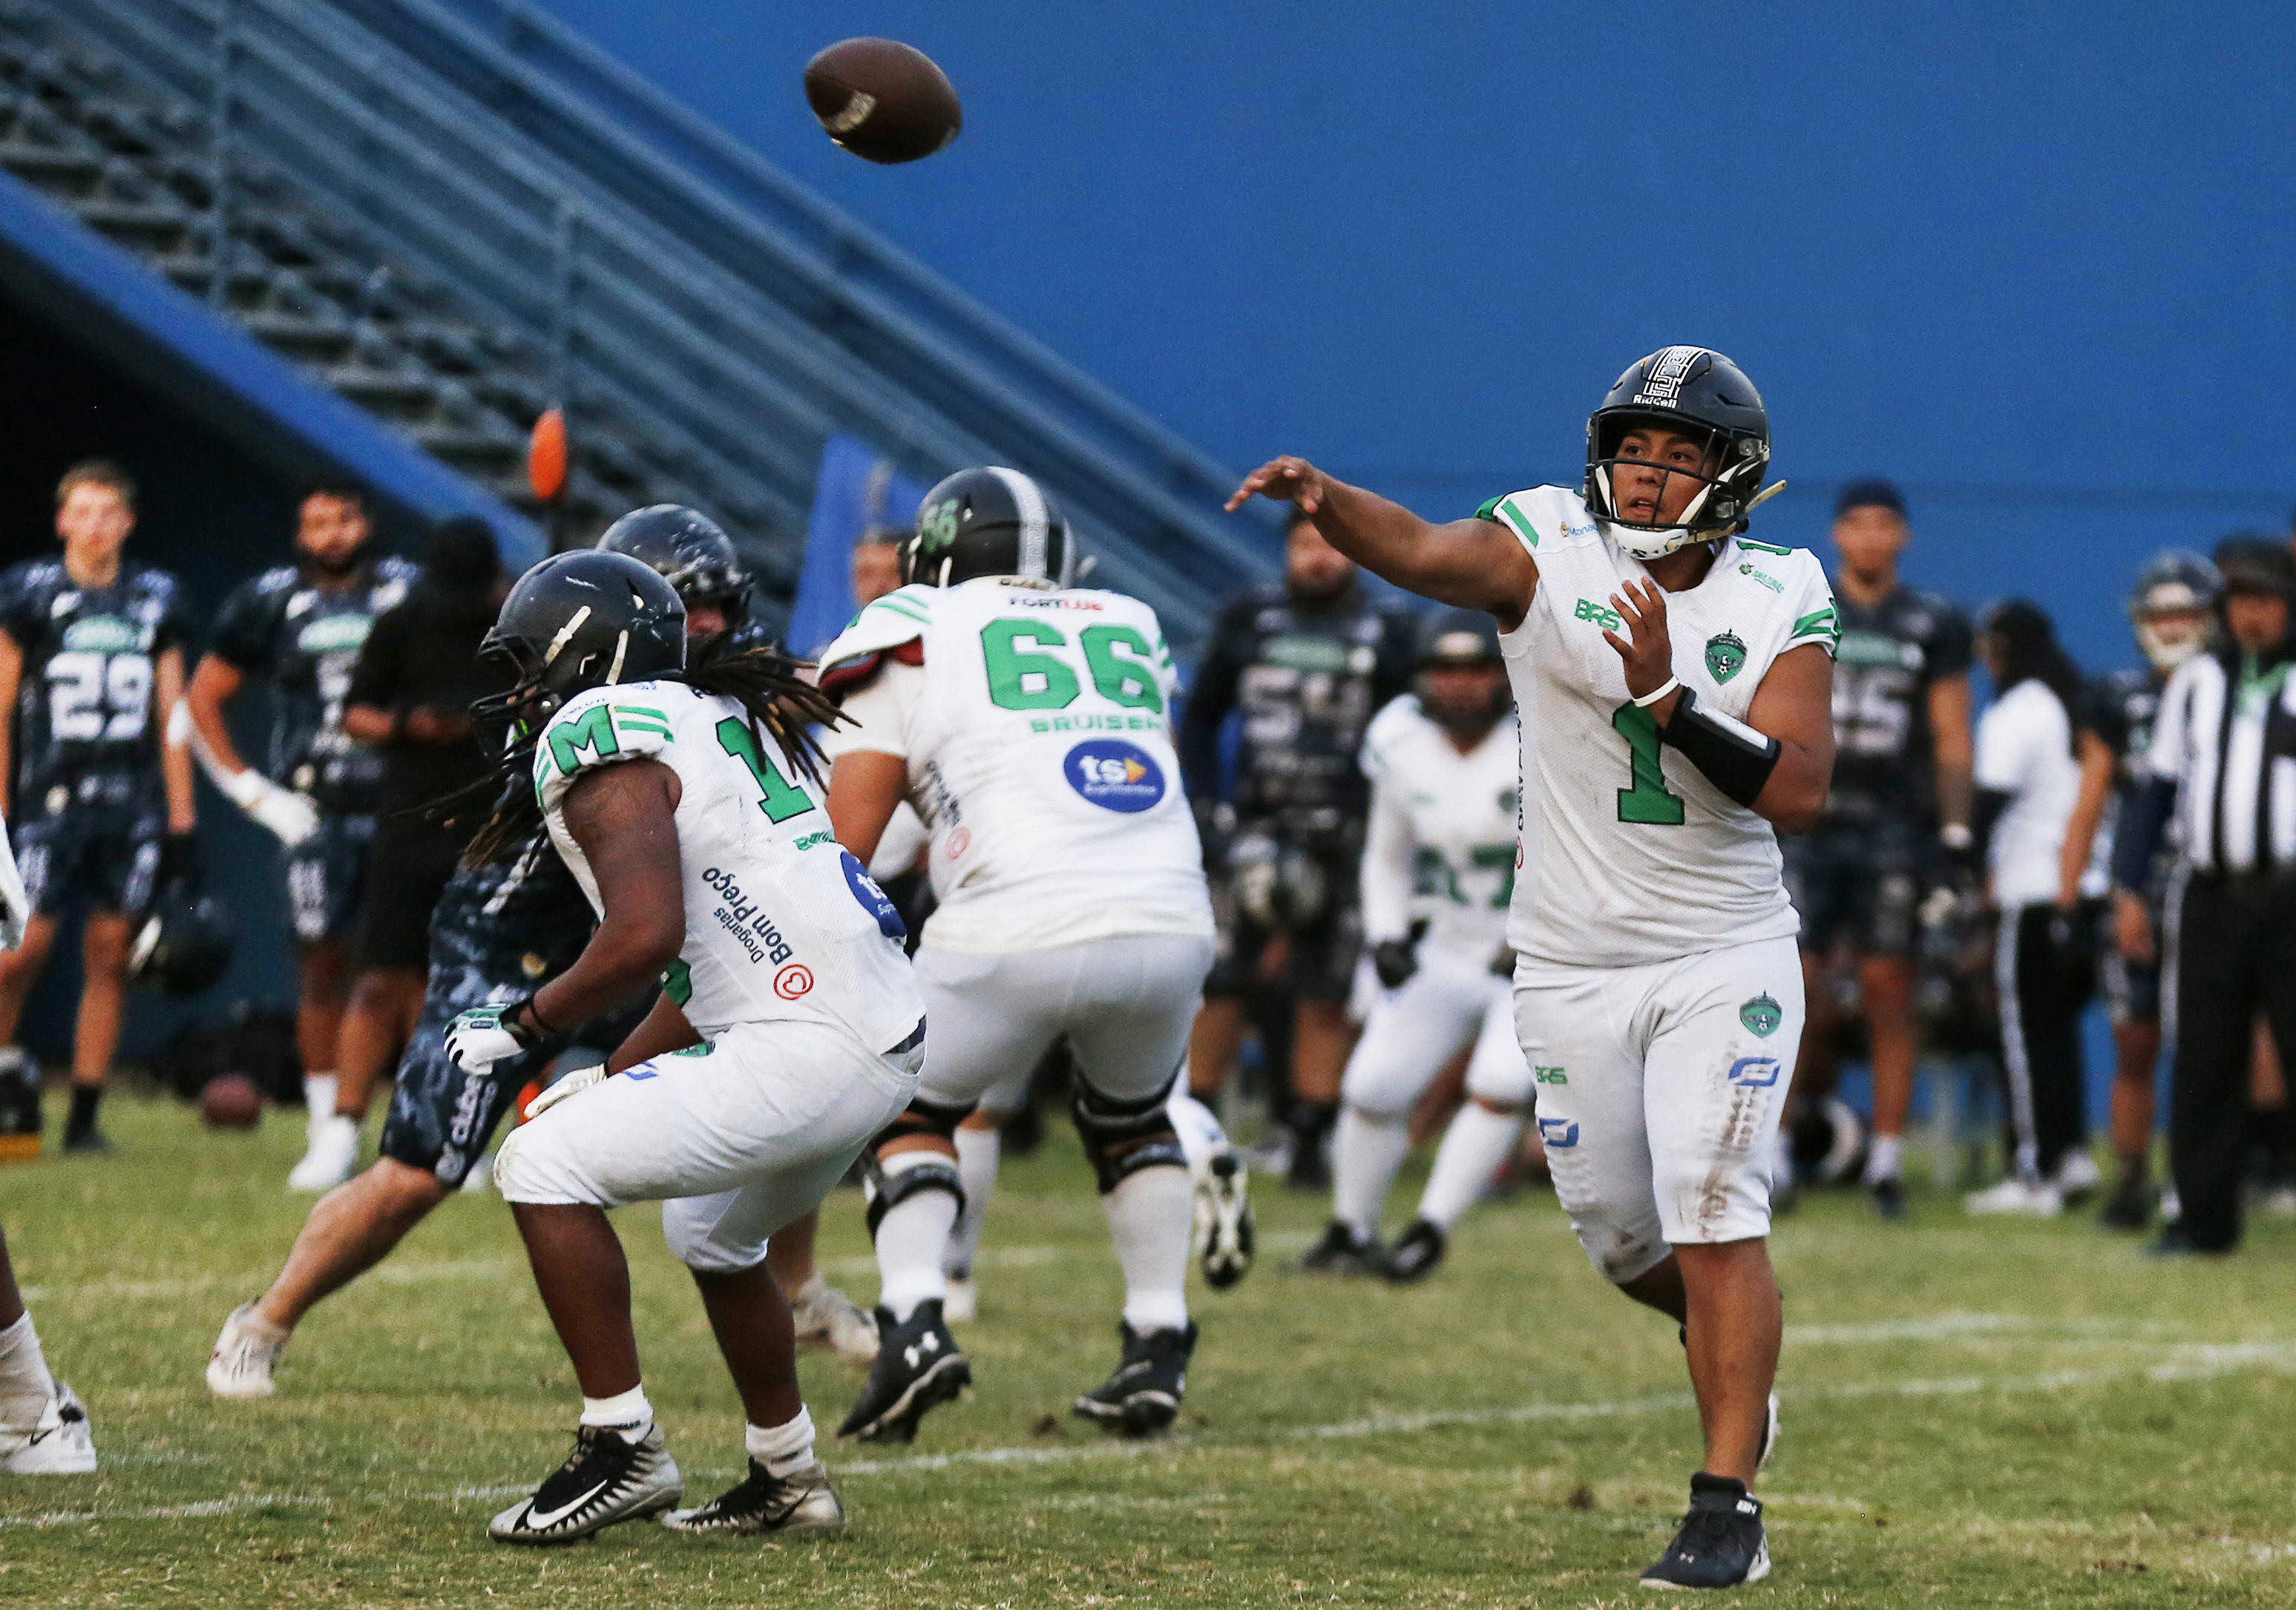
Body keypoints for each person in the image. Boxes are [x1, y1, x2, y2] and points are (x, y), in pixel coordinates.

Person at [1229, 344, 1837, 1589]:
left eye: (1677, 456)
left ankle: (1724, 1495)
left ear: (1731, 476)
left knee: (1712, 1202)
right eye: (1632, 447)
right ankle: (1739, 1365)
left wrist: (1666, 695)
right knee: (1621, 1237)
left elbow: (1802, 788)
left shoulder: (1783, 586)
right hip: (1565, 955)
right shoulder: (1549, 541)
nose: (1647, 473)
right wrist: (1328, 501)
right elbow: (1424, 548)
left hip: (1719, 949)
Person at [204, 507, 874, 1396]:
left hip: (653, 930)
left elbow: (786, 693)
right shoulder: (595, 714)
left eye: (716, 608)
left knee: (776, 1062)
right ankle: (267, 1316)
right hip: (522, 938)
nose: (709, 627)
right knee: (421, 1170)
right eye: (689, 607)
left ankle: (793, 1290)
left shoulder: (709, 673)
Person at [457, 549, 922, 1543]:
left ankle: (619, 1442)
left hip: (807, 1039)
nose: (523, 689)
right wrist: (619, 1070)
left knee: (538, 1161)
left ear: (584, 661)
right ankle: (789, 1473)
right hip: (874, 1030)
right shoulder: (714, 719)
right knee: (711, 1234)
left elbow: (643, 935)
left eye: (532, 662)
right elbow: (708, 959)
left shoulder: (599, 733)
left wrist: (521, 1025)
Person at [816, 466, 1229, 1443]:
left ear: (937, 557)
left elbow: (846, 842)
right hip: (1169, 915)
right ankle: (1156, 1339)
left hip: (1011, 922)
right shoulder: (1126, 621)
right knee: (1129, 1121)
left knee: (905, 1106)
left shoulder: (906, 627)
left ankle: (914, 1319)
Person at [175, 482, 419, 1189]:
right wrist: (253, 793)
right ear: (299, 531)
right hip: (314, 809)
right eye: (316, 522)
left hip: (403, 804)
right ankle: (328, 1129)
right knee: (321, 966)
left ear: (367, 522)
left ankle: (421, 1122)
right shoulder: (270, 600)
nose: (331, 534)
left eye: (343, 518)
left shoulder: (409, 591)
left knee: (414, 969)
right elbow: (201, 698)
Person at [1181, 509, 1417, 1190]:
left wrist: (1381, 820)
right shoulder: (1249, 619)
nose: (1317, 557)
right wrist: (1208, 808)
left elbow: (1407, 728)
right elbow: (1200, 717)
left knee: (1324, 992)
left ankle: (1310, 1136)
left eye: (1330, 543)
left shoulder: (1386, 628)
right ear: (1286, 550)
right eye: (1304, 543)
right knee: (1221, 980)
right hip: (1253, 826)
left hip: (1344, 837)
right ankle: (1197, 1121)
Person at [1301, 609, 1535, 1281]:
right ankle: (1351, 1231)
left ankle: (1428, 1230)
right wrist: (1384, 933)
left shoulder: (1543, 734)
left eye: (1477, 669)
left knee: (1497, 1082)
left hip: (1534, 951)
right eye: (1445, 670)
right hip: (1448, 940)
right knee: (1372, 1087)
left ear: (1504, 676)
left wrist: (1536, 930)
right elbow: (1387, 857)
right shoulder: (1399, 736)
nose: (1460, 686)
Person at [293, 519, 507, 1188]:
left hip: (487, 826)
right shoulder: (402, 622)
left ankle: (453, 1132)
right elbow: (355, 712)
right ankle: (341, 1129)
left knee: (465, 986)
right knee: (380, 974)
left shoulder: (517, 629)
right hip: (407, 824)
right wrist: (407, 727)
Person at [1782, 479, 1973, 1218]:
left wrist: (1956, 833)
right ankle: (1774, 1155)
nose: (1868, 538)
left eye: (1883, 525)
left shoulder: (1929, 620)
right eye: (1855, 524)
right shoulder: (1800, 602)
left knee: (1890, 987)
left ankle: (1887, 1160)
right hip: (1810, 815)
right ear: (1836, 535)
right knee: (1786, 987)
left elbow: (1952, 733)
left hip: (1894, 821)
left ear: (1903, 537)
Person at [0, 460, 197, 1154]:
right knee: (19, 950)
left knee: (112, 954)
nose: (95, 526)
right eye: (82, 512)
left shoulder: (155, 597)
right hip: (48, 802)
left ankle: (84, 1113)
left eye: (108, 512)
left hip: (132, 803)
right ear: (61, 521)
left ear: (128, 522)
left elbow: (172, 712)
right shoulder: (29, 594)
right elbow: (0, 708)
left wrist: (182, 819)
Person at [2114, 536, 2296, 1258]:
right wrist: (2130, 889)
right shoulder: (2196, 684)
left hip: (2290, 894)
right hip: (2211, 892)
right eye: (2241, 602)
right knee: (2204, 1060)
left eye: (2266, 602)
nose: (2252, 617)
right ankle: (2201, 1219)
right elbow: (2155, 791)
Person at [2079, 551, 2218, 1229]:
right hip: (2136, 884)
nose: (2174, 626)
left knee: (2209, 1040)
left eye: (2187, 612)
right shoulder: (2118, 695)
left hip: (2213, 883)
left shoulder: (2228, 691)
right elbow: (2092, 795)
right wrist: (2086, 888)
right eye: (2162, 614)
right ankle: (2132, 1178)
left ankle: (2213, 1174)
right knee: (2134, 1037)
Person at [1960, 602, 2110, 1215]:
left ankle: (2034, 1170)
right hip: (2084, 893)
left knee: (2023, 1038)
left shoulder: (2018, 710)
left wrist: (1965, 866)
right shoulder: (2072, 705)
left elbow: (1986, 806)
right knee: (2058, 1036)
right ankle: (2070, 1155)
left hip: (2033, 891)